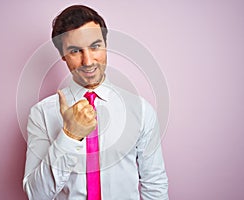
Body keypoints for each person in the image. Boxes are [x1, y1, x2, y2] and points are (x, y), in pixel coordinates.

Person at [23, 5, 169, 200]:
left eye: (95, 46)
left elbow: (155, 185)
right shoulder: (41, 114)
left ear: (106, 45)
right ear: (63, 55)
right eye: (75, 51)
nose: (88, 61)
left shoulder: (141, 110)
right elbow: (36, 195)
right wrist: (69, 136)